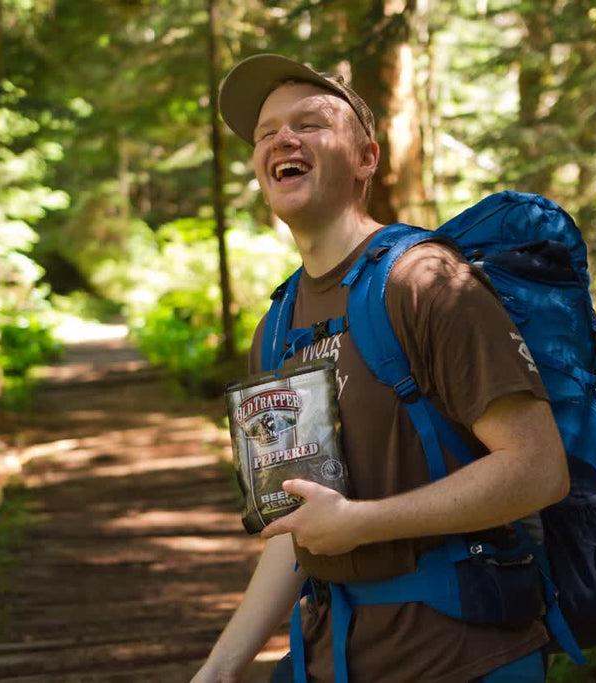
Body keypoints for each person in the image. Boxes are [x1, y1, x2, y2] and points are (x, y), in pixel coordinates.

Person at [192, 54, 569, 683]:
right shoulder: (276, 328)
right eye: (266, 132)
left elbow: (538, 470)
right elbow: (298, 529)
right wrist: (221, 666)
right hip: (332, 657)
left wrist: (360, 524)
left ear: (366, 158)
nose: (283, 138)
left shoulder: (426, 281)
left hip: (461, 658)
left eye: (310, 124)